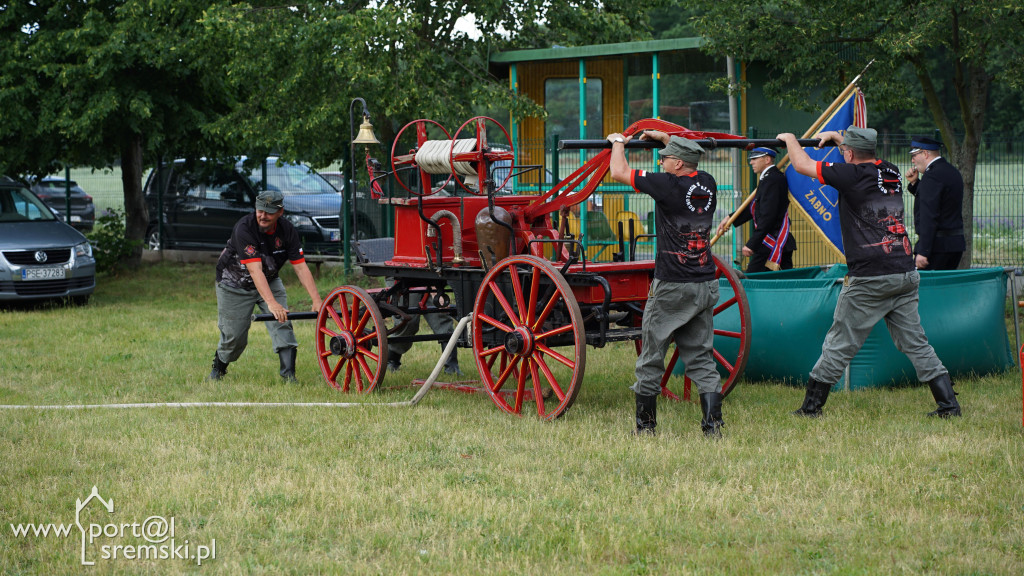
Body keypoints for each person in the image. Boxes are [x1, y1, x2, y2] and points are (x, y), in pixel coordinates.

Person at [777, 127, 961, 418]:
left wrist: (788, 140)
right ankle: (949, 405)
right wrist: (841, 141)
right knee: (915, 342)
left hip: (870, 278)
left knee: (839, 342)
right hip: (904, 272)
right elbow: (860, 159)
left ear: (848, 154)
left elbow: (800, 165)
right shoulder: (890, 171)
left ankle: (811, 408)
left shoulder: (850, 175)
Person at [607, 129, 725, 437]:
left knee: (651, 356)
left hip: (672, 283)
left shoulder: (667, 186)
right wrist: (664, 139)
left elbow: (618, 171)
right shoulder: (708, 182)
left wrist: (618, 141)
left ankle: (645, 428)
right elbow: (687, 155)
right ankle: (713, 427)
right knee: (701, 356)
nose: (661, 163)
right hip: (704, 282)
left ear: (677, 164)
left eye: (665, 159)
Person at [209, 189, 323, 382]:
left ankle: (289, 377)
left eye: (269, 212)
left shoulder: (287, 231)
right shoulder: (244, 228)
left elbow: (301, 268)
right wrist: (272, 303)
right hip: (233, 284)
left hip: (269, 279)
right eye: (260, 210)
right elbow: (255, 271)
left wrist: (316, 300)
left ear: (281, 212)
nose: (263, 215)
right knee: (234, 337)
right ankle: (218, 368)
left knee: (282, 323)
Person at [716, 147, 796, 272]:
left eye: (754, 159)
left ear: (767, 159)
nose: (751, 162)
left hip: (773, 242)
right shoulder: (768, 178)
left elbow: (768, 216)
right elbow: (755, 208)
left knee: (751, 282)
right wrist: (731, 218)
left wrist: (752, 244)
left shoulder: (772, 179)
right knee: (781, 284)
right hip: (772, 241)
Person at [905, 136, 965, 270]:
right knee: (945, 289)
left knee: (926, 289)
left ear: (925, 153)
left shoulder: (931, 176)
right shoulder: (951, 171)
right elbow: (942, 201)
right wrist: (915, 184)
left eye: (914, 155)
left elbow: (929, 215)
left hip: (936, 247)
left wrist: (923, 251)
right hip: (954, 245)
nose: (912, 160)